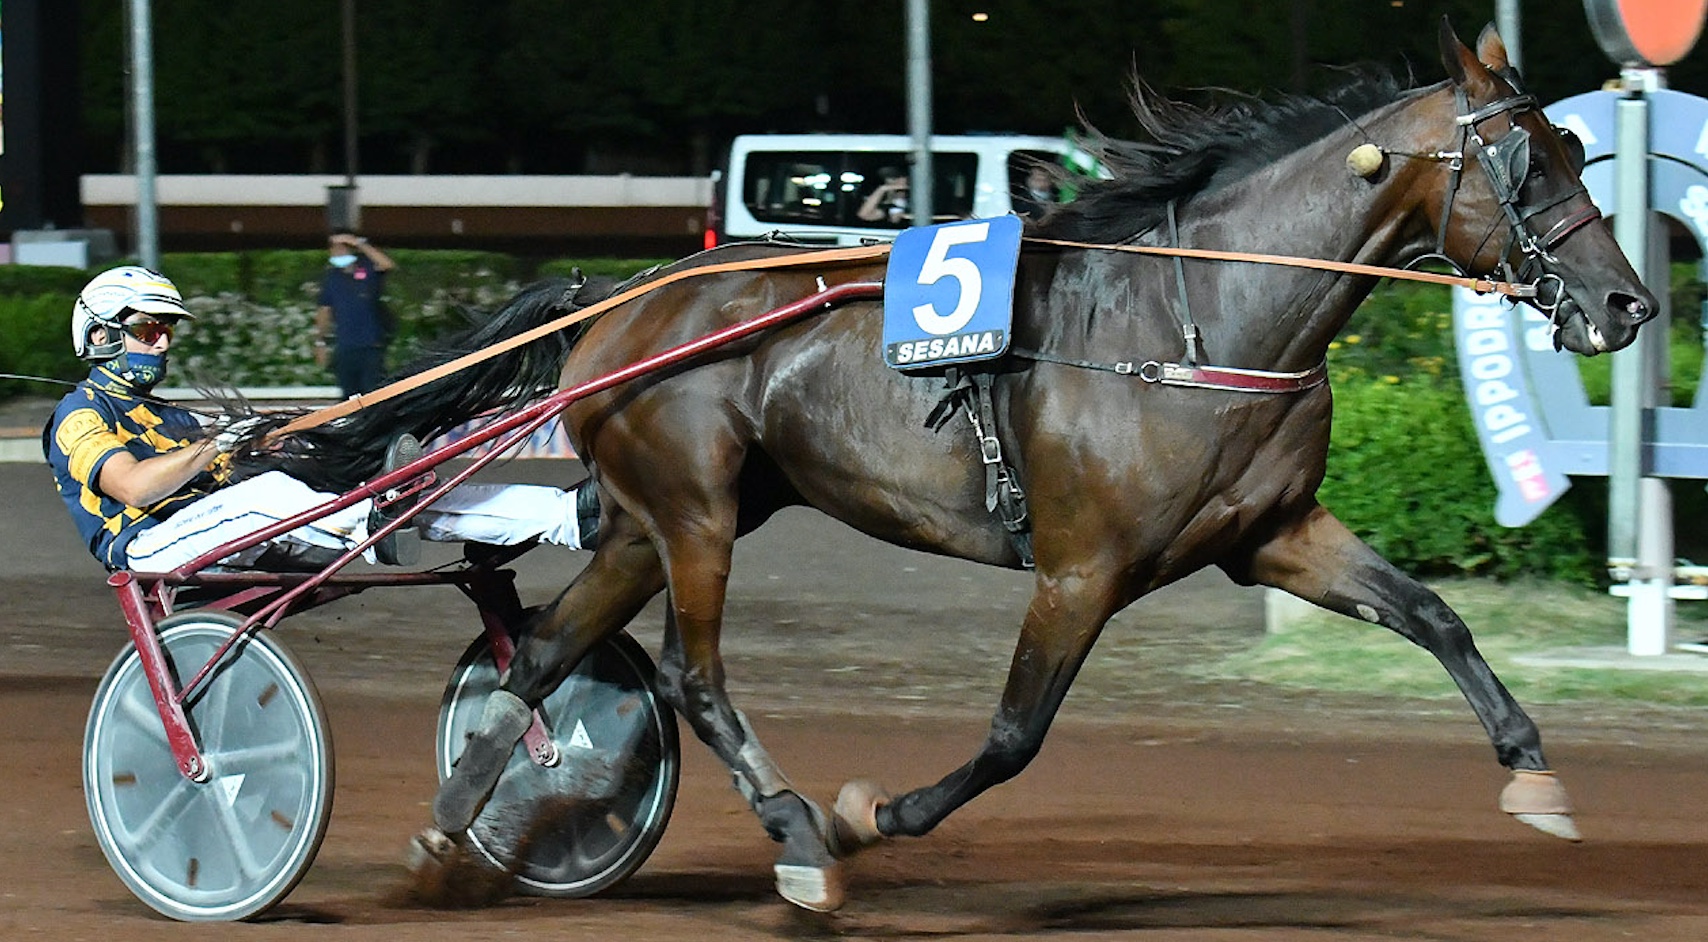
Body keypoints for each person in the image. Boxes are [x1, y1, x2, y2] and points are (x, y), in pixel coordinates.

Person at [45, 266, 599, 573]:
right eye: (148, 329)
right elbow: (135, 487)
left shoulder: (168, 414)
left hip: (217, 531)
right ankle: (372, 523)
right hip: (149, 544)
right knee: (273, 495)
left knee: (401, 492)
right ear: (99, 335)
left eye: (168, 330)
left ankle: (567, 517)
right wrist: (214, 444)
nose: (162, 342)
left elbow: (233, 451)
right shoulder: (80, 414)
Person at [316, 230, 397, 399]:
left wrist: (358, 242)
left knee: (373, 394)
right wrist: (320, 341)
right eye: (333, 248)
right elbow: (324, 310)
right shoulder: (332, 278)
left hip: (370, 346)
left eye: (341, 248)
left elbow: (387, 265)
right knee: (348, 397)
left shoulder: (367, 269)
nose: (336, 252)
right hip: (345, 348)